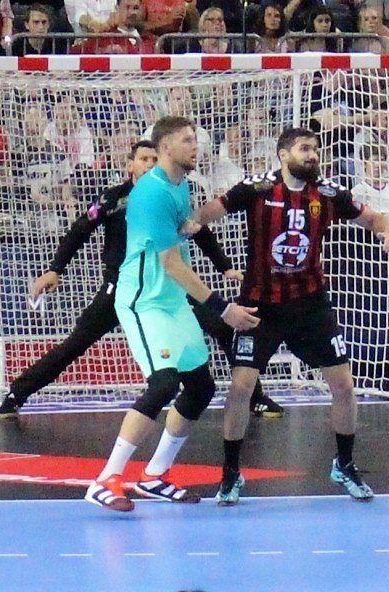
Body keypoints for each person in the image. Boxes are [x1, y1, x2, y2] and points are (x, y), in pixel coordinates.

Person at [188, 127, 389, 505]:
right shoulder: (255, 189)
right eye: (304, 148)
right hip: (260, 306)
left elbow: (375, 219)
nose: (312, 154)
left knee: (343, 385)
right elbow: (206, 213)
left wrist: (388, 233)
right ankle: (231, 472)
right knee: (240, 389)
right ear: (283, 155)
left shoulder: (329, 194)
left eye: (315, 149)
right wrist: (188, 223)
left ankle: (345, 464)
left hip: (310, 305)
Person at [0, 139, 283, 416]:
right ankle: (17, 394)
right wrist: (55, 269)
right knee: (75, 344)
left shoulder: (169, 195)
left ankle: (254, 397)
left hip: (165, 289)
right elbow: (80, 230)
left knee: (223, 327)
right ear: (130, 165)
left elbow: (200, 230)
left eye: (154, 160)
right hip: (122, 289)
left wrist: (224, 267)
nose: (149, 164)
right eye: (143, 159)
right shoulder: (114, 198)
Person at [83, 117, 260, 512]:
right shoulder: (151, 193)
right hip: (143, 301)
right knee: (163, 384)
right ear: (165, 147)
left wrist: (192, 225)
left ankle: (154, 475)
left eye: (195, 138)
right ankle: (105, 479)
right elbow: (171, 264)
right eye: (186, 140)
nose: (195, 145)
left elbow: (181, 232)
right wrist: (222, 308)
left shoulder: (182, 186)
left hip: (172, 301)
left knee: (201, 388)